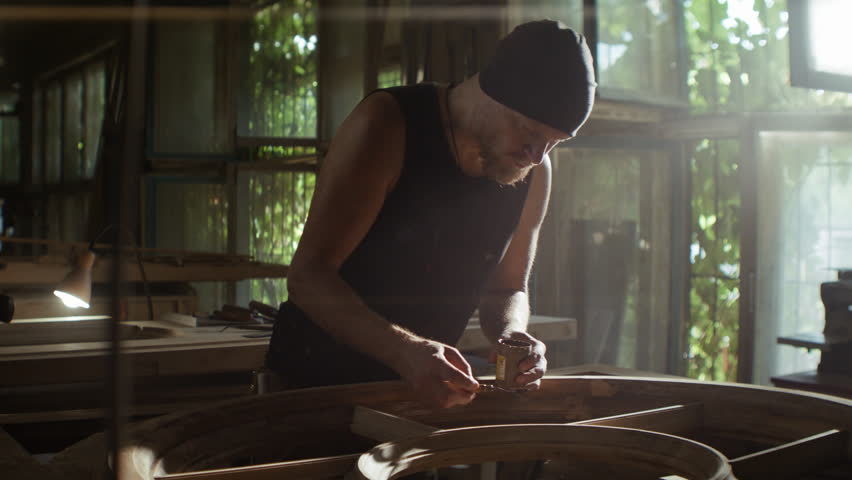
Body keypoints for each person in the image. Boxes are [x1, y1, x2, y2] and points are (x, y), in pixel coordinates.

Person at [266, 19, 596, 408]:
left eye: (554, 143)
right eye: (528, 131)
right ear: (492, 92)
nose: (537, 155)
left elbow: (508, 288)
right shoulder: (388, 125)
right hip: (314, 386)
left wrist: (512, 334)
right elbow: (308, 277)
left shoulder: (534, 171)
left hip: (419, 393)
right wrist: (406, 351)